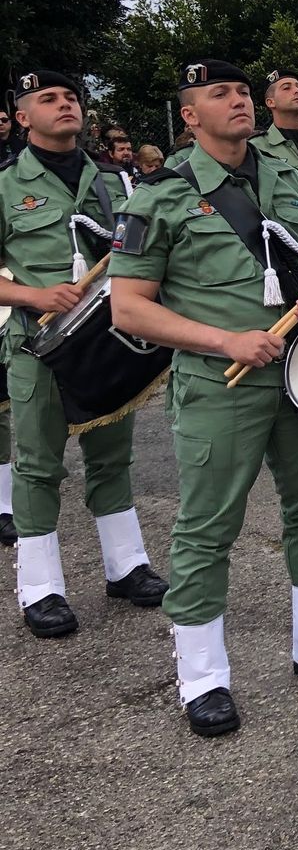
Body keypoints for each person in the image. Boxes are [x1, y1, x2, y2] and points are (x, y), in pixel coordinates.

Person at [109, 59, 298, 737]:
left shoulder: (291, 179)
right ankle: (203, 677)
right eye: (219, 94)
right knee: (208, 526)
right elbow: (128, 308)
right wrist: (225, 342)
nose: (239, 102)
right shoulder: (159, 196)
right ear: (189, 117)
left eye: (243, 92)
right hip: (220, 383)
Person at [0, 71, 168, 639]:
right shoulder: (5, 184)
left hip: (105, 342)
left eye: (70, 96)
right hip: (38, 342)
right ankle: (40, 588)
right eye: (47, 99)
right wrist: (31, 294)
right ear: (23, 118)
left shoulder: (113, 181)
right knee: (39, 465)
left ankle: (125, 566)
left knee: (111, 456)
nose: (64, 104)